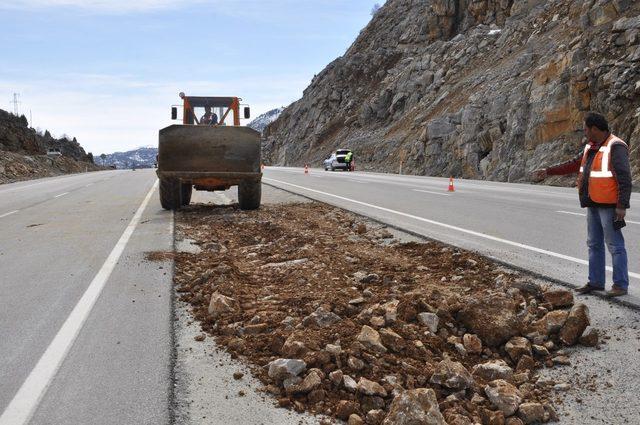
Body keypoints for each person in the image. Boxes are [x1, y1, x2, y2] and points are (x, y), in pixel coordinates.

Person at [532, 112, 632, 297]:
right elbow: (573, 164)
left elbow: (625, 178)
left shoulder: (615, 146)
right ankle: (595, 282)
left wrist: (622, 205)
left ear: (594, 129)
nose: (584, 132)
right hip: (592, 203)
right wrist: (548, 171)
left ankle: (620, 285)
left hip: (609, 206)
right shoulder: (590, 146)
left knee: (615, 246)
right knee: (594, 243)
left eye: (586, 128)